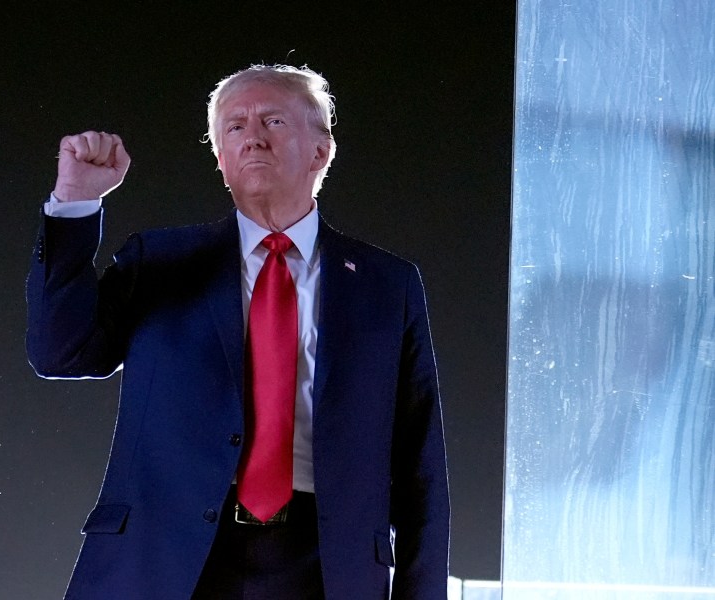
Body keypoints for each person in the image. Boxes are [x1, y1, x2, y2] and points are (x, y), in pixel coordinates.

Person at [26, 64, 449, 599]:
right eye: (234, 127)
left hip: (325, 570)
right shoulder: (158, 261)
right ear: (221, 160)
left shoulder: (389, 287)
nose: (252, 136)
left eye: (273, 120)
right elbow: (59, 353)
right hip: (163, 564)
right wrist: (75, 204)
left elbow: (421, 469)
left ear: (321, 152)